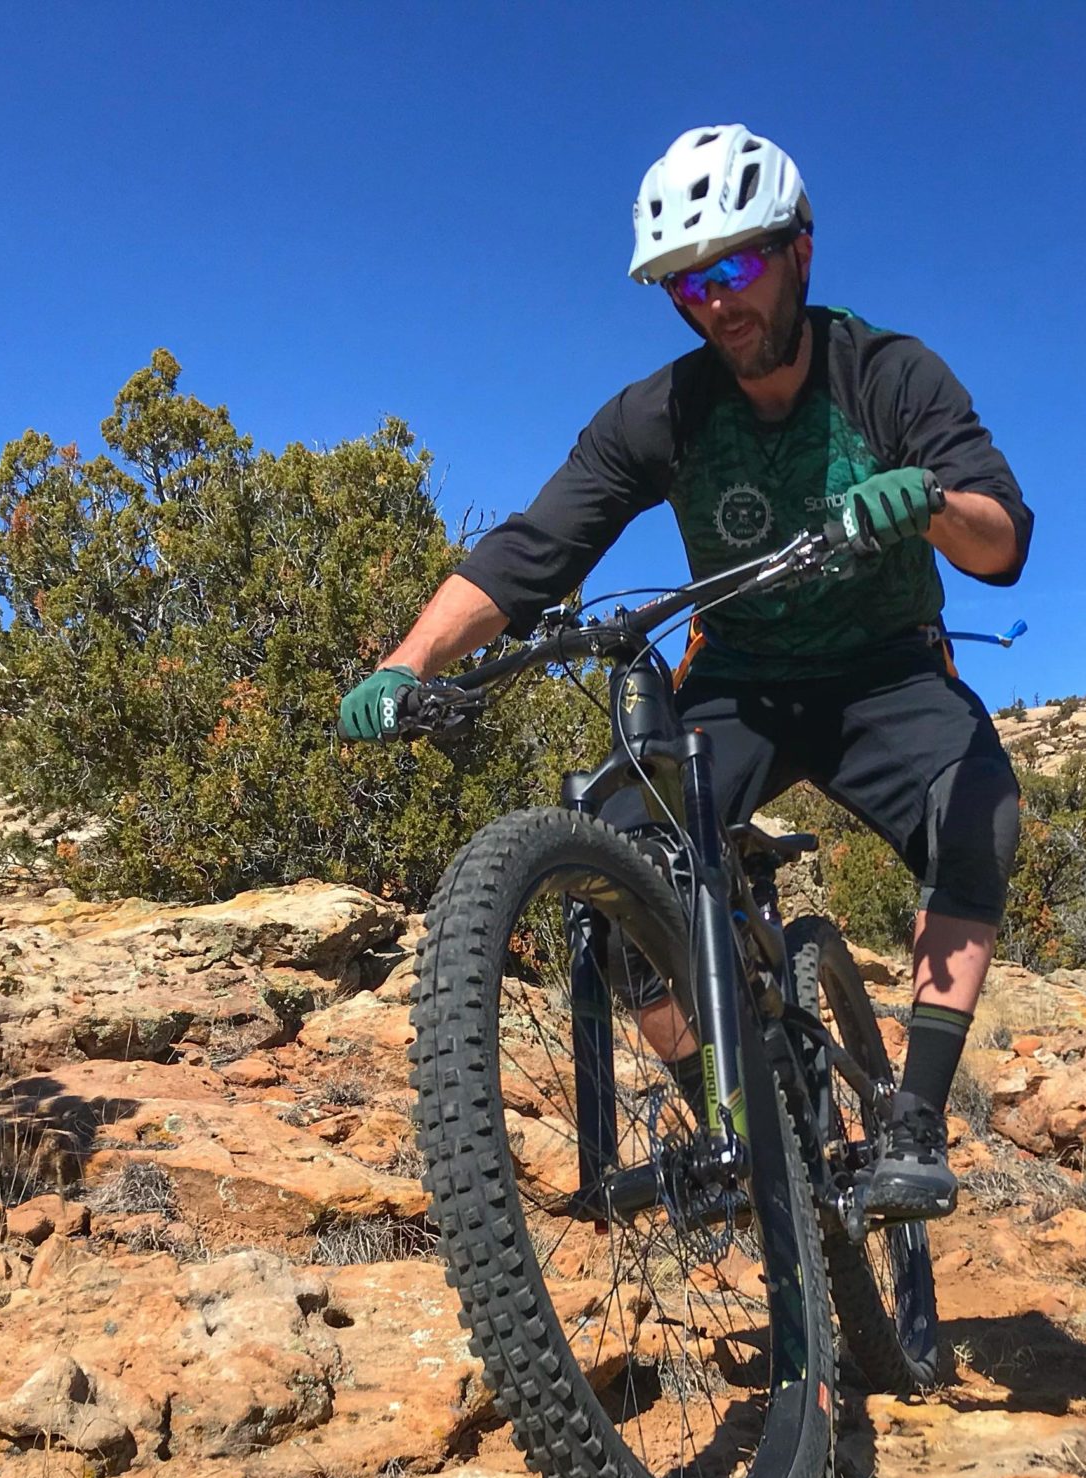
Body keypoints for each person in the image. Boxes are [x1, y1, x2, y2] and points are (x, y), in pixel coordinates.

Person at [341, 124, 1031, 1221]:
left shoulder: (888, 375)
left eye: (736, 266)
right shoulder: (661, 413)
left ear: (800, 249)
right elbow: (535, 548)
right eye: (684, 284)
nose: (715, 301)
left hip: (887, 674)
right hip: (742, 678)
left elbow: (1002, 542)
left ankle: (912, 1123)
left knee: (978, 821)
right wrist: (405, 660)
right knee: (612, 877)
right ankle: (733, 1117)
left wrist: (930, 502)